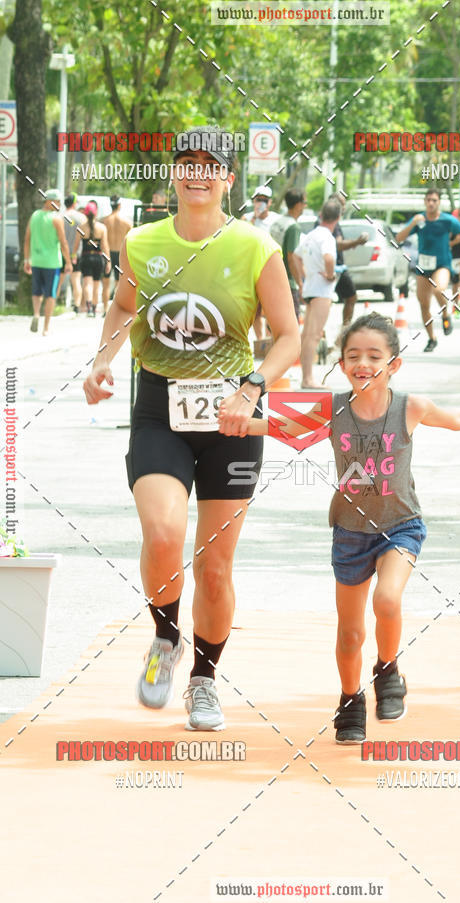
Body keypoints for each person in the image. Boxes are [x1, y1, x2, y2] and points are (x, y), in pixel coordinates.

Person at [83, 125, 299, 731]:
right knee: (162, 535)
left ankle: (204, 680)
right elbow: (124, 307)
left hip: (233, 417)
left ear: (229, 178)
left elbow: (289, 336)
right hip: (160, 408)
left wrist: (253, 387)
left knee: (214, 565)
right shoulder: (144, 241)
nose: (198, 173)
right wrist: (102, 360)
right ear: (174, 173)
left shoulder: (256, 247)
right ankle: (165, 637)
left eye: (211, 164)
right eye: (187, 162)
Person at [237, 313, 460, 743]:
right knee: (350, 633)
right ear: (341, 364)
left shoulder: (408, 407)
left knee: (388, 599)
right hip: (350, 532)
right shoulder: (333, 408)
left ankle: (388, 669)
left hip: (400, 525)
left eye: (374, 356)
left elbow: (458, 418)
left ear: (394, 364)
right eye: (353, 355)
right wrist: (237, 422)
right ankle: (350, 699)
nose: (363, 363)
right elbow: (287, 427)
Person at [395, 188, 460, 352]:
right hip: (423, 267)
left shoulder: (447, 220)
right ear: (424, 202)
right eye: (428, 200)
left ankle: (445, 315)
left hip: (442, 264)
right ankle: (431, 338)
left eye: (434, 200)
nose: (431, 203)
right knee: (423, 304)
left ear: (439, 202)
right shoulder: (419, 220)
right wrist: (413, 223)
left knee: (438, 290)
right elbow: (398, 238)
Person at [293, 198, 341, 388]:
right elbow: (329, 258)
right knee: (314, 335)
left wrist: (304, 276)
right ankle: (308, 378)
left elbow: (296, 256)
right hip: (322, 289)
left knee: (307, 334)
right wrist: (330, 275)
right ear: (338, 218)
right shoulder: (327, 237)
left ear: (321, 215)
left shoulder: (310, 235)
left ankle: (306, 376)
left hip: (310, 287)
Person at [23, 189, 72, 335]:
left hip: (36, 261)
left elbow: (27, 239)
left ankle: (36, 313)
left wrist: (27, 259)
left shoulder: (34, 215)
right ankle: (46, 327)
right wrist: (68, 262)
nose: (59, 205)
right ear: (50, 201)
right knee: (50, 294)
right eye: (58, 202)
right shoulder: (56, 219)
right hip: (52, 263)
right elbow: (63, 242)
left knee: (37, 291)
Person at [318, 192, 367, 335]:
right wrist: (357, 242)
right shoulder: (327, 223)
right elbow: (337, 245)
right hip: (332, 269)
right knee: (325, 302)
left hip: (335, 268)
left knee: (350, 297)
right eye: (342, 204)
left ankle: (342, 332)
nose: (344, 208)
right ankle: (325, 333)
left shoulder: (331, 223)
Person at [244, 186, 280, 340]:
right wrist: (255, 218)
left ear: (270, 202)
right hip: (251, 269)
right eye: (258, 199)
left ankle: (271, 339)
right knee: (255, 310)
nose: (261, 203)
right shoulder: (247, 219)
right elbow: (243, 237)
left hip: (270, 268)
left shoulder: (276, 220)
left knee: (271, 307)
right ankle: (260, 340)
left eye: (264, 200)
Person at [270, 188, 306, 321]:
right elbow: (291, 258)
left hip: (271, 278)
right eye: (304, 203)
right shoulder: (293, 227)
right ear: (298, 205)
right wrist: (300, 284)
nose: (305, 206)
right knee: (292, 322)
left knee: (273, 323)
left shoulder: (277, 222)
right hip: (287, 282)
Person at [72, 201, 111, 316]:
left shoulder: (81, 227)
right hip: (98, 258)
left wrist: (73, 256)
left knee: (87, 283)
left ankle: (88, 307)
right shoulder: (102, 228)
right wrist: (108, 261)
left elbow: (76, 245)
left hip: (86, 257)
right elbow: (105, 246)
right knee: (96, 285)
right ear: (96, 213)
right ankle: (94, 309)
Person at [101, 195, 132, 315]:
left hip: (107, 254)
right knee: (118, 284)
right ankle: (115, 310)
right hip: (120, 255)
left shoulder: (104, 221)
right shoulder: (127, 223)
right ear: (119, 205)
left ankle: (105, 309)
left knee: (105, 283)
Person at [56, 193, 85, 311]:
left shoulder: (59, 217)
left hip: (61, 252)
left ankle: (52, 303)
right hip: (76, 253)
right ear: (74, 203)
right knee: (76, 280)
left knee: (58, 280)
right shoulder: (81, 218)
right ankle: (76, 306)